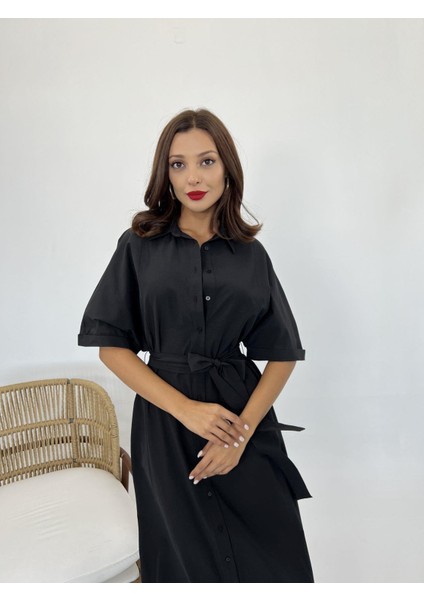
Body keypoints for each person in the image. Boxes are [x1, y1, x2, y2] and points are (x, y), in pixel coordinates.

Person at [78, 107, 314, 583]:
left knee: (274, 558)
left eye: (206, 161)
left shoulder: (251, 254)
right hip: (166, 427)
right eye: (178, 164)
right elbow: (111, 346)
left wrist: (238, 435)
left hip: (240, 421)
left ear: (227, 167)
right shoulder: (138, 245)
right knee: (184, 562)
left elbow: (282, 352)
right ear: (164, 174)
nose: (193, 177)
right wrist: (186, 410)